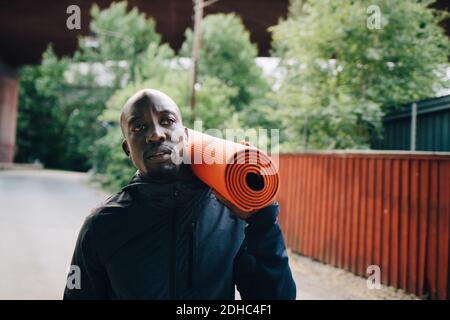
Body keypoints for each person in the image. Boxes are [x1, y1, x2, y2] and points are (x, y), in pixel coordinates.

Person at [63, 89, 296, 300]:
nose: (155, 134)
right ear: (127, 148)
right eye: (139, 127)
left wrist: (263, 222)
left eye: (167, 121)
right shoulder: (102, 225)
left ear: (185, 135)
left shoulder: (231, 214)